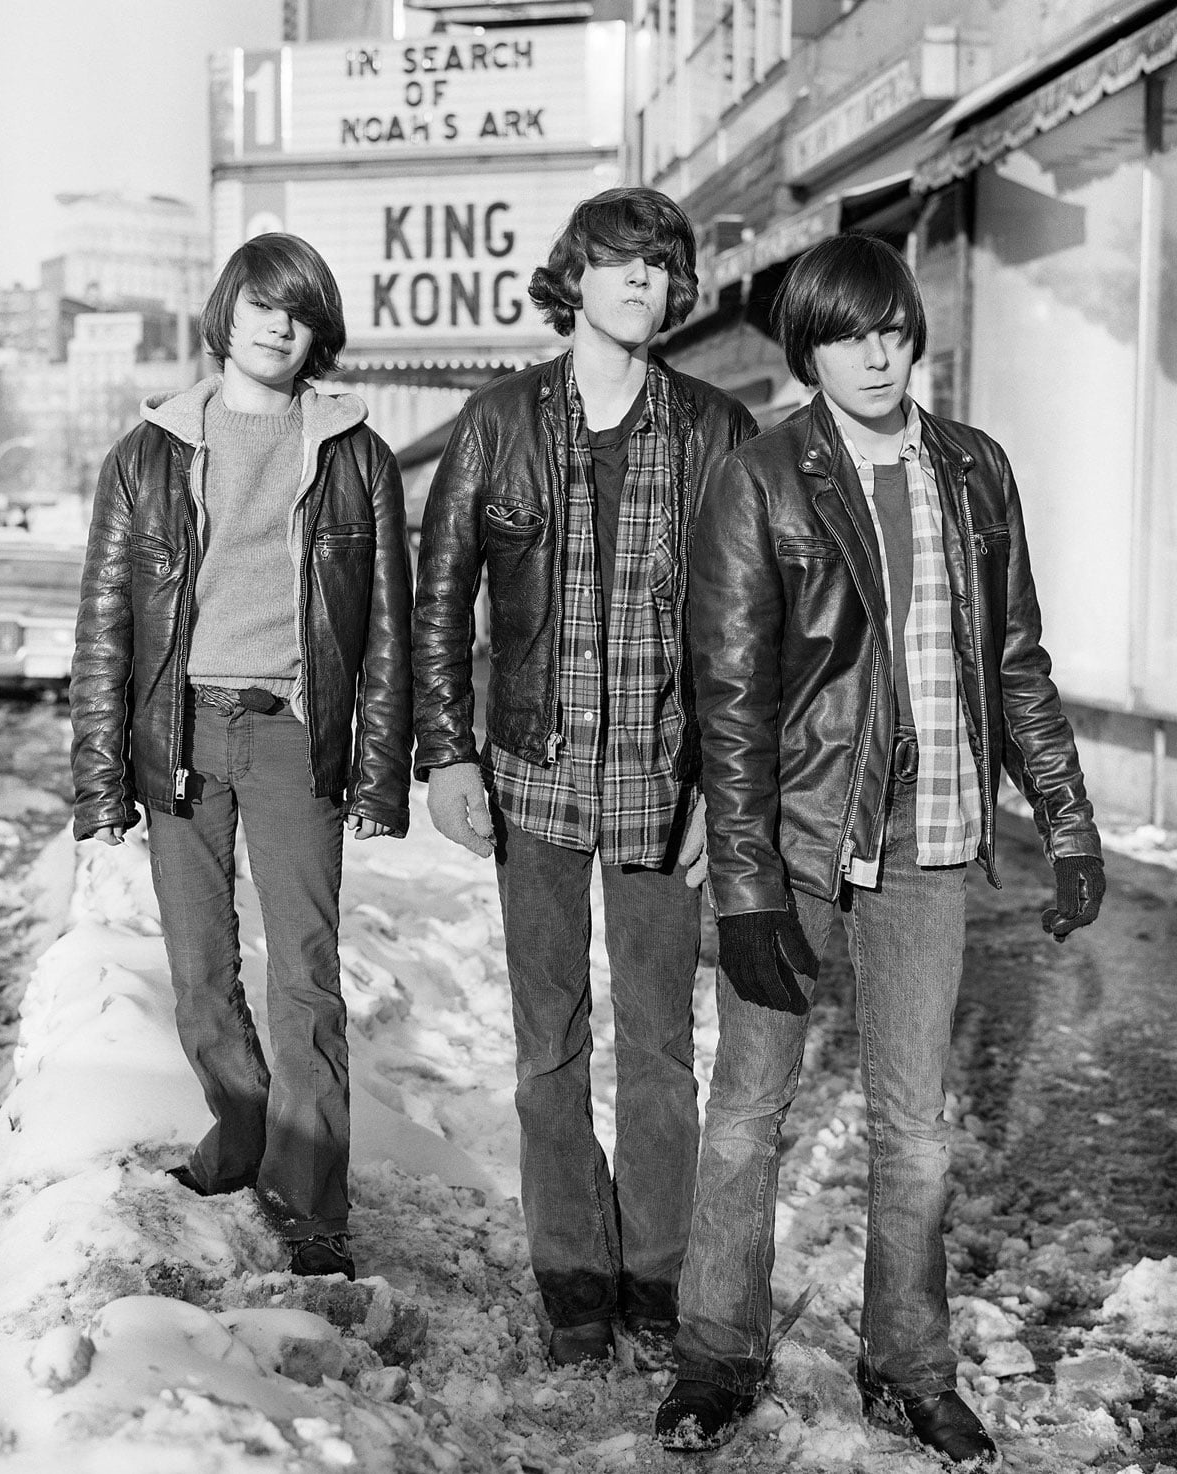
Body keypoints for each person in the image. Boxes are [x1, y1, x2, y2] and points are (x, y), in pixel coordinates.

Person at [654, 232, 1104, 1463]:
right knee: (750, 1108)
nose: (880, 351)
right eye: (852, 334)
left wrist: (1066, 816)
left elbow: (1015, 656)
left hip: (934, 834)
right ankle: (716, 1353)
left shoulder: (972, 468)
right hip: (798, 838)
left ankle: (907, 1362)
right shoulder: (763, 476)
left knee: (918, 1125)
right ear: (808, 348)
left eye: (895, 329)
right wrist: (744, 890)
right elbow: (730, 698)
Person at [412, 187, 757, 1367]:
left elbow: (745, 629)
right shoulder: (499, 419)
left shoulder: (715, 426)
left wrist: (729, 786)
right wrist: (445, 750)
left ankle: (657, 1281)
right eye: (620, 265)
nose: (643, 286)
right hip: (532, 779)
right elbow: (438, 599)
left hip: (666, 782)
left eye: (662, 268)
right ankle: (572, 1282)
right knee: (546, 1047)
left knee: (661, 1050)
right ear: (577, 277)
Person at [70, 233, 413, 1282]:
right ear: (228, 312)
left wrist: (378, 772)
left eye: (300, 311)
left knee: (306, 976)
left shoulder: (355, 454)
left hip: (293, 731)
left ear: (319, 331)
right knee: (200, 975)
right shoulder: (148, 453)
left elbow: (388, 627)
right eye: (263, 305)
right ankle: (239, 1136)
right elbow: (105, 626)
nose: (279, 324)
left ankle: (311, 1199)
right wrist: (97, 781)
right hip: (176, 730)